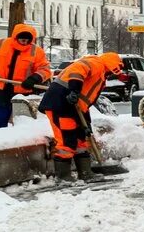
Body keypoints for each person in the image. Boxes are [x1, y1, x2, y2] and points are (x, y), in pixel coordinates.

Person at [37, 52, 123, 180]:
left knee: (80, 140)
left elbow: (84, 100)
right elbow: (77, 71)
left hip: (74, 107)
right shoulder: (95, 63)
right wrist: (74, 90)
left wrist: (86, 122)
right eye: (111, 72)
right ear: (111, 65)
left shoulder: (100, 74)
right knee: (66, 141)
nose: (110, 75)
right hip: (60, 103)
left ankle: (85, 173)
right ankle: (63, 177)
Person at [0, 23, 51, 130]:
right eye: (22, 39)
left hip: (22, 93)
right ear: (16, 37)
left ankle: (18, 143)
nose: (24, 42)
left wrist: (34, 78)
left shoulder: (36, 52)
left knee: (22, 123)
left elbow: (44, 69)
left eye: (27, 40)